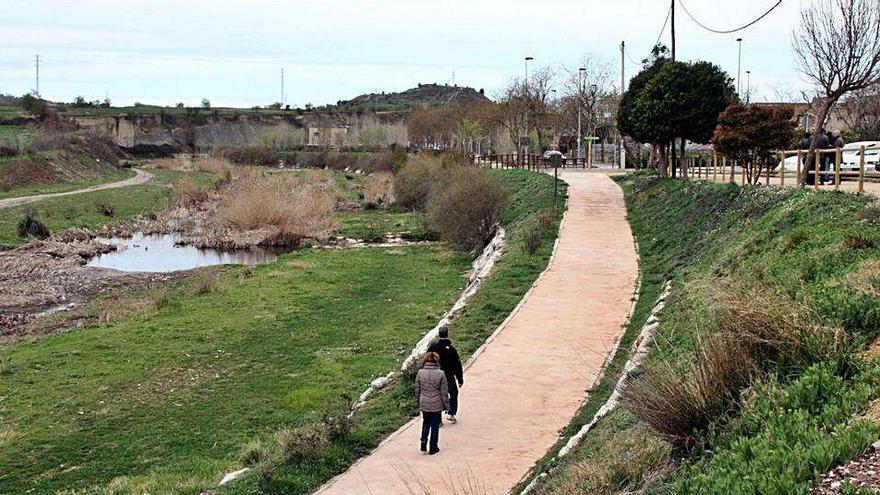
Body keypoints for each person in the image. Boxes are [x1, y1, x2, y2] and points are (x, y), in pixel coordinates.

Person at [428, 325, 464, 423]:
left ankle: (438, 420)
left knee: (438, 395)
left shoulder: (433, 348)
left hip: (435, 375)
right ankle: (451, 414)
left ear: (439, 335)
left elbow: (427, 360)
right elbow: (457, 365)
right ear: (447, 334)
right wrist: (460, 379)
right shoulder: (452, 350)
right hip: (448, 376)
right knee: (453, 393)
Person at [415, 352, 449, 455]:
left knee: (426, 422)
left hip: (424, 401)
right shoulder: (441, 373)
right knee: (435, 425)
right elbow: (444, 392)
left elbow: (417, 389)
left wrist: (418, 401)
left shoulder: (420, 372)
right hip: (436, 402)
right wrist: (447, 406)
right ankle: (433, 447)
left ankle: (423, 441)